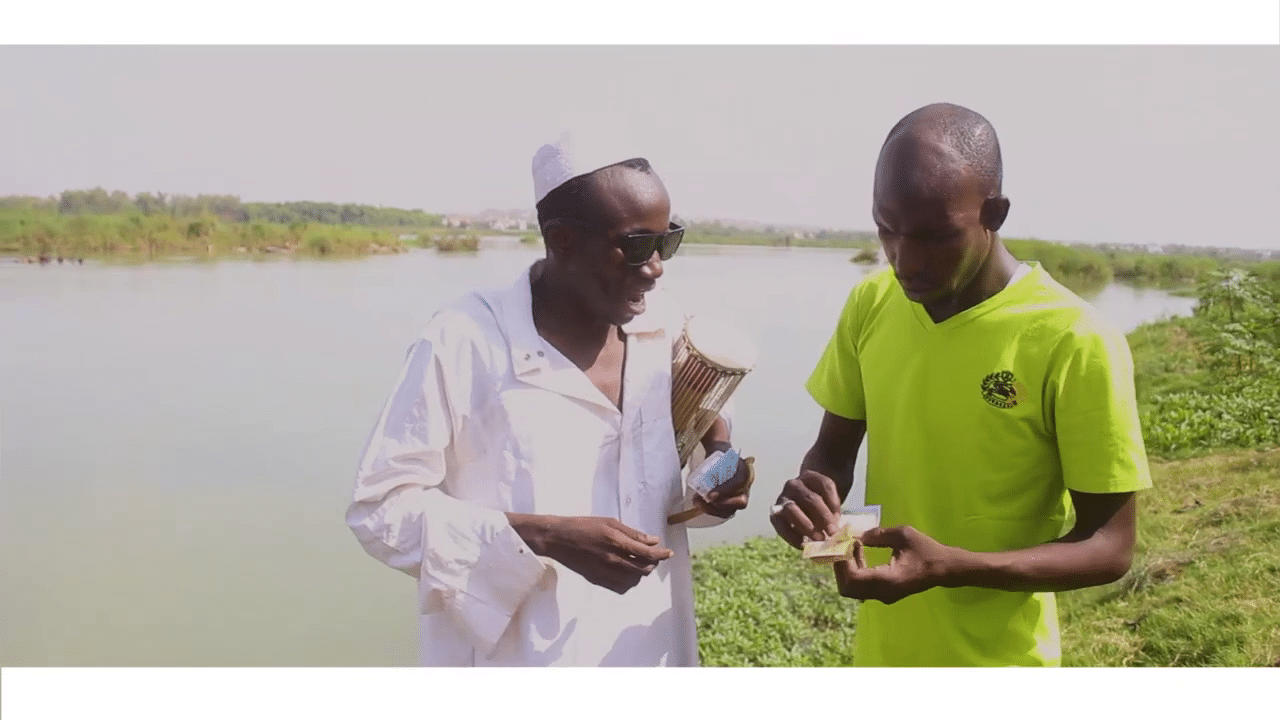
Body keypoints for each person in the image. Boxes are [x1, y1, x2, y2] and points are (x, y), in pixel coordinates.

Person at [345, 133, 752, 666]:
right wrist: (544, 536)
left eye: (666, 241)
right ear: (561, 240)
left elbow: (690, 447)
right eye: (634, 246)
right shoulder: (464, 340)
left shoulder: (664, 325)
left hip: (653, 652)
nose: (655, 267)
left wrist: (717, 475)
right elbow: (379, 512)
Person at [770, 102, 1152, 667]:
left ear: (993, 213)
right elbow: (832, 451)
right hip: (881, 657)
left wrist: (954, 568)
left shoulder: (1074, 338)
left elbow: (1109, 548)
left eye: (934, 236)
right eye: (887, 230)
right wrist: (809, 500)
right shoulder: (872, 303)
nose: (905, 259)